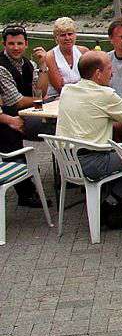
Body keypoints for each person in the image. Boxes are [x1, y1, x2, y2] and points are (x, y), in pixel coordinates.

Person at [56, 52, 122, 226]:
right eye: (109, 68)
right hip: (92, 162)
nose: (113, 72)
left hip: (67, 163)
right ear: (98, 74)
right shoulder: (104, 94)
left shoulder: (67, 90)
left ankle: (111, 204)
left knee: (121, 155)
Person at [0, 25, 51, 208]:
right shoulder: (1, 67)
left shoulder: (28, 64)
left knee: (55, 126)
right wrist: (41, 100)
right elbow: (16, 102)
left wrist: (43, 65)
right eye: (11, 44)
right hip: (7, 117)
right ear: (4, 44)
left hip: (23, 114)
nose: (16, 47)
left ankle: (66, 172)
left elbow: (40, 92)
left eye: (19, 43)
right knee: (9, 133)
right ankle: (25, 191)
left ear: (26, 44)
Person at [45, 17, 88, 97]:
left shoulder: (84, 51)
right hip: (57, 97)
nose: (67, 38)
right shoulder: (50, 56)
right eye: (63, 35)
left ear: (75, 35)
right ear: (56, 37)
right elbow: (60, 88)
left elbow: (90, 80)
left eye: (70, 34)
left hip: (83, 95)